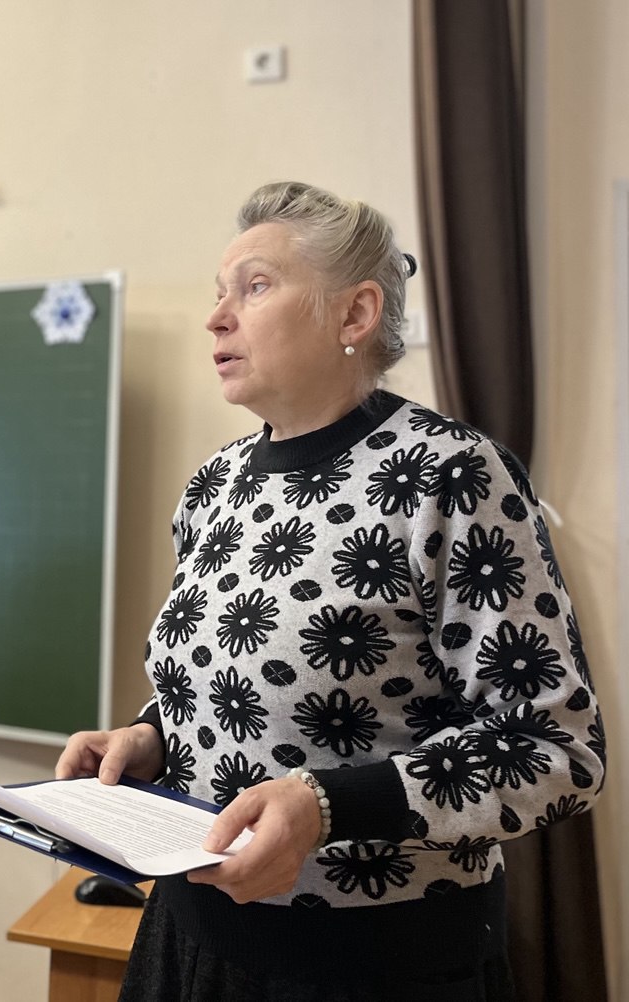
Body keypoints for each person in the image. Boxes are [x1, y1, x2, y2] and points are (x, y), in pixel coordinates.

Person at [57, 181, 605, 1001]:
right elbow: (231, 677)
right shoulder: (215, 485)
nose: (216, 318)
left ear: (355, 315)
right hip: (188, 944)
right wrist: (151, 735)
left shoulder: (451, 476)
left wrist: (326, 807)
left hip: (376, 968)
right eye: (218, 292)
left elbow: (556, 749)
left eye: (255, 287)